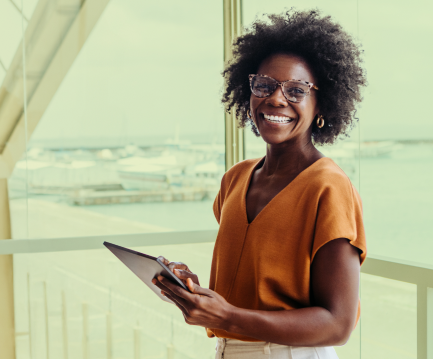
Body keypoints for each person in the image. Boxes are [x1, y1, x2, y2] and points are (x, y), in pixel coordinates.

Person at [152, 9, 367, 359]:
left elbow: (337, 324)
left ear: (321, 105)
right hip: (230, 350)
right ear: (248, 91)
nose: (276, 99)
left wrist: (229, 316)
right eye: (264, 85)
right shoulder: (235, 180)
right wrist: (192, 290)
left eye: (296, 90)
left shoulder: (328, 187)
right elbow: (251, 292)